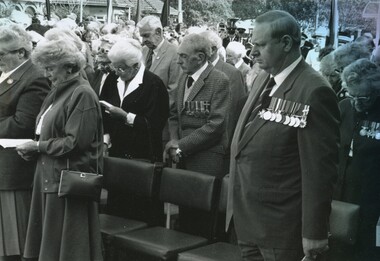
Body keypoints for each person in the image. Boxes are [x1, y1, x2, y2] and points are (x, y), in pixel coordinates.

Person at [226, 10, 340, 261]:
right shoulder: (263, 78)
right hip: (247, 221)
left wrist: (314, 231)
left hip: (281, 230)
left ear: (286, 43)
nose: (252, 52)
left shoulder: (314, 91)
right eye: (251, 44)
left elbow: (319, 171)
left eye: (260, 45)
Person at [15, 37, 104, 261]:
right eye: (45, 68)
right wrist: (37, 146)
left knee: (67, 248)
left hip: (65, 180)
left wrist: (38, 146)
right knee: (53, 246)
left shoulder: (82, 93)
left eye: (51, 68)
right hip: (50, 176)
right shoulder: (59, 90)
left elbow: (75, 143)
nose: (47, 74)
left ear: (70, 66)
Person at [0, 25, 49, 261]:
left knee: (14, 242)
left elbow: (22, 124)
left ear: (21, 52)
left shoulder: (34, 77)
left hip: (13, 169)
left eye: (1, 54)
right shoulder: (8, 72)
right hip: (4, 166)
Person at [332, 58, 380, 261]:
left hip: (372, 206)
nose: (356, 103)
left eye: (364, 98)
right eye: (352, 96)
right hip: (339, 198)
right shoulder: (344, 107)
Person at [164, 33, 230, 177]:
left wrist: (181, 145)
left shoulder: (219, 80)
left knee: (201, 199)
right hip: (181, 156)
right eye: (178, 55)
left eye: (183, 56)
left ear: (200, 58)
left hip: (206, 158)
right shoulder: (184, 77)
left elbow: (216, 124)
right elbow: (175, 114)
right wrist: (174, 139)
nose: (178, 61)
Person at [102, 38, 169, 161]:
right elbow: (102, 113)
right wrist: (105, 142)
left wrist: (126, 116)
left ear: (136, 66)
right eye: (114, 67)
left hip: (143, 155)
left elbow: (155, 124)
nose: (116, 72)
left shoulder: (154, 84)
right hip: (114, 152)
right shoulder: (112, 79)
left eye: (120, 68)